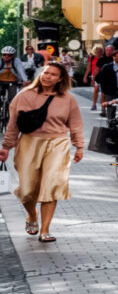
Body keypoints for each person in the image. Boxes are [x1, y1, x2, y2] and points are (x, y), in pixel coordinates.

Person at [3, 61, 83, 243]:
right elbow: (13, 124)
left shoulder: (68, 99)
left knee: (52, 185)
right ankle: (32, 215)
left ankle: (45, 230)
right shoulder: (24, 95)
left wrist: (79, 146)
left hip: (57, 144)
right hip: (29, 143)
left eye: (53, 74)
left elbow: (76, 124)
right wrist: (6, 146)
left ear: (60, 79)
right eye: (46, 72)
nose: (48, 77)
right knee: (27, 190)